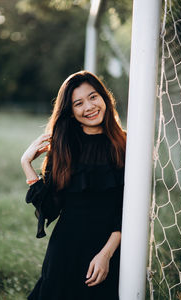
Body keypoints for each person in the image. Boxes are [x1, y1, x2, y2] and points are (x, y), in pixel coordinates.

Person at [21, 70, 126, 300]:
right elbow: (50, 210)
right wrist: (27, 164)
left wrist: (105, 255)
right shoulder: (64, 149)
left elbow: (126, 211)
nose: (88, 107)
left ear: (104, 98)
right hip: (65, 253)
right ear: (71, 112)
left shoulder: (125, 144)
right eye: (78, 103)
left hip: (109, 252)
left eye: (93, 97)